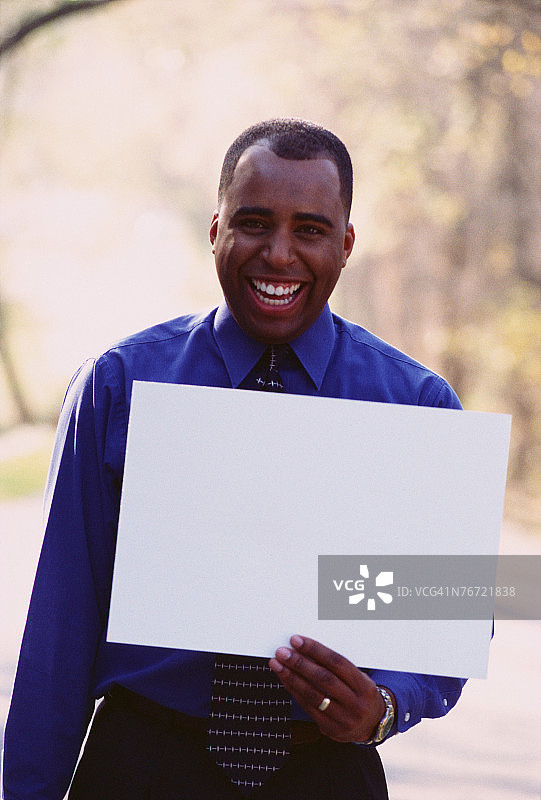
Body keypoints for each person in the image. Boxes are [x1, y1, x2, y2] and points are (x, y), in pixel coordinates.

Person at [2, 119, 466, 800]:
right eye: (253, 223)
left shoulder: (415, 406)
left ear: (345, 245)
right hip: (142, 764)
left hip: (325, 771)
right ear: (215, 228)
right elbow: (58, 632)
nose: (278, 255)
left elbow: (454, 604)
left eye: (309, 229)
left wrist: (386, 705)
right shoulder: (118, 385)